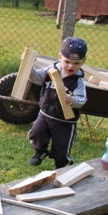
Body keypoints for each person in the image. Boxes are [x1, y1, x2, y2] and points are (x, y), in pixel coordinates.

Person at [27, 37, 88, 169]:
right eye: (67, 62)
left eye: (76, 63)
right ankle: (40, 151)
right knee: (37, 132)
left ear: (83, 61)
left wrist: (74, 100)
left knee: (61, 145)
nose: (71, 66)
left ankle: (61, 164)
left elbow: (82, 99)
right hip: (45, 114)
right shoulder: (51, 71)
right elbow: (37, 78)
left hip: (65, 121)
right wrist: (29, 67)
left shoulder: (78, 81)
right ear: (60, 57)